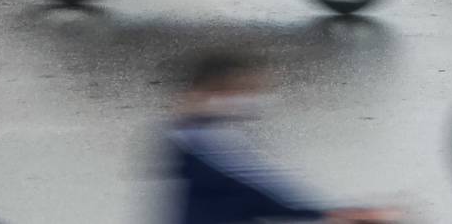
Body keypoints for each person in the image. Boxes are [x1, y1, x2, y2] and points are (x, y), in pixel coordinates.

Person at [167, 50, 398, 223]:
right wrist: (343, 213)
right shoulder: (206, 141)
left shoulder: (195, 134)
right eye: (241, 89)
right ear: (210, 92)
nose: (248, 98)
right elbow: (268, 190)